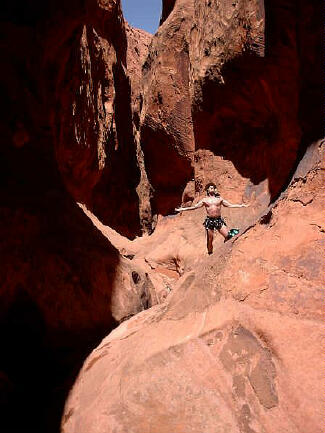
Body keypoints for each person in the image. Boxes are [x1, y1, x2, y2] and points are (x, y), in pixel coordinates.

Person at [175, 182, 249, 254]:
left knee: (228, 236)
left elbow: (229, 205)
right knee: (210, 240)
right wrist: (182, 209)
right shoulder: (205, 200)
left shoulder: (219, 199)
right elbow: (194, 207)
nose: (212, 189)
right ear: (207, 190)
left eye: (213, 188)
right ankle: (210, 253)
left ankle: (230, 236)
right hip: (209, 221)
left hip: (218, 220)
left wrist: (241, 205)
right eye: (210, 188)